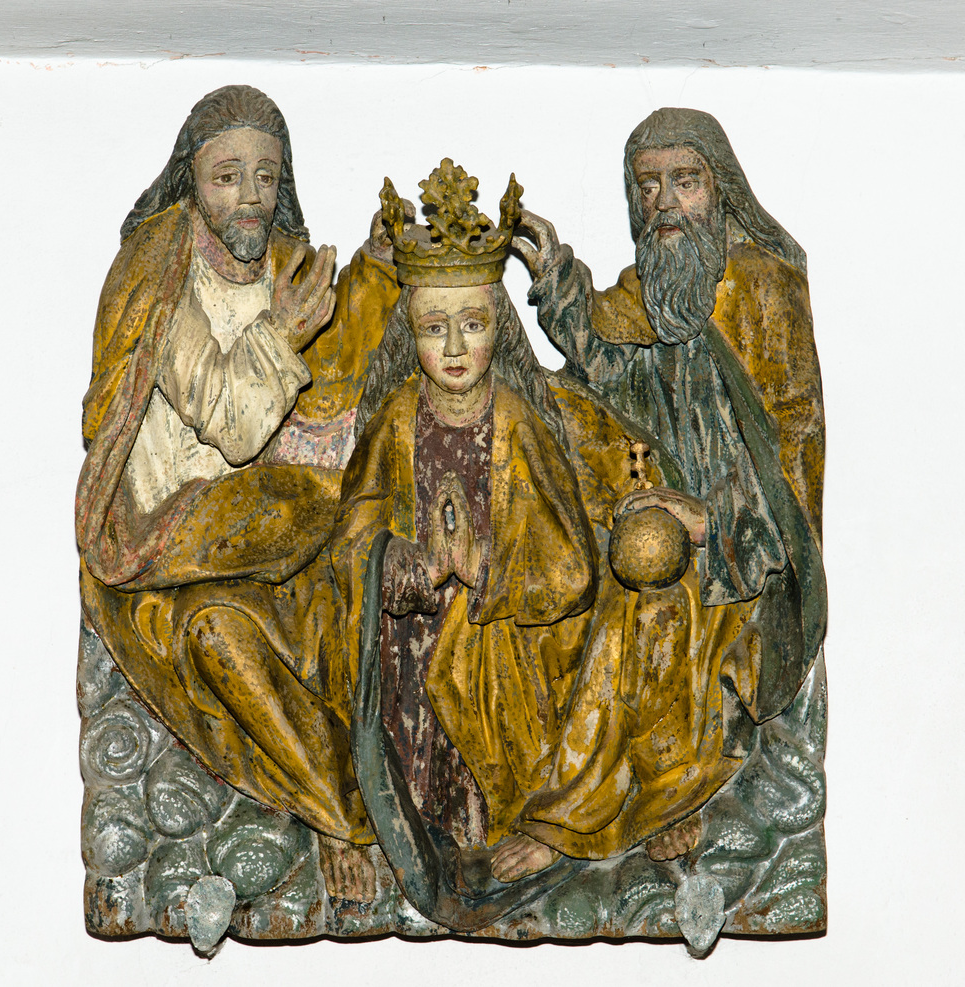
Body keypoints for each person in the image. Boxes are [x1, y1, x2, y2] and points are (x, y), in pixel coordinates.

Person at [76, 85, 402, 902]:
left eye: (266, 175)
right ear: (190, 182)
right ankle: (340, 815)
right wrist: (283, 332)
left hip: (256, 534)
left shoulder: (284, 263)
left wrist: (374, 273)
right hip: (166, 539)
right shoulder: (159, 273)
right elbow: (232, 424)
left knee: (354, 559)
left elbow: (337, 371)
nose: (249, 195)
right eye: (227, 177)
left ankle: (373, 789)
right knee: (229, 622)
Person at [513, 107, 827, 862]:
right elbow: (611, 368)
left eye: (685, 181)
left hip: (750, 562)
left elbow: (793, 449)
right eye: (648, 186)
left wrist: (711, 518)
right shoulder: (651, 286)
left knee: (651, 613)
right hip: (662, 517)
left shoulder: (763, 288)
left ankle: (618, 809)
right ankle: (605, 796)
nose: (665, 204)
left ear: (721, 191)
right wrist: (555, 278)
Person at [331, 161, 597, 916]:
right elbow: (351, 536)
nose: (453, 346)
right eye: (433, 327)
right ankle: (389, 822)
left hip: (496, 641)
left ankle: (502, 820)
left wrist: (484, 568)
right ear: (408, 331)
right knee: (350, 639)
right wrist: (402, 565)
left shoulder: (518, 424)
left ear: (498, 327)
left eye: (473, 324)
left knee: (504, 648)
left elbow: (573, 568)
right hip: (405, 641)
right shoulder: (394, 421)